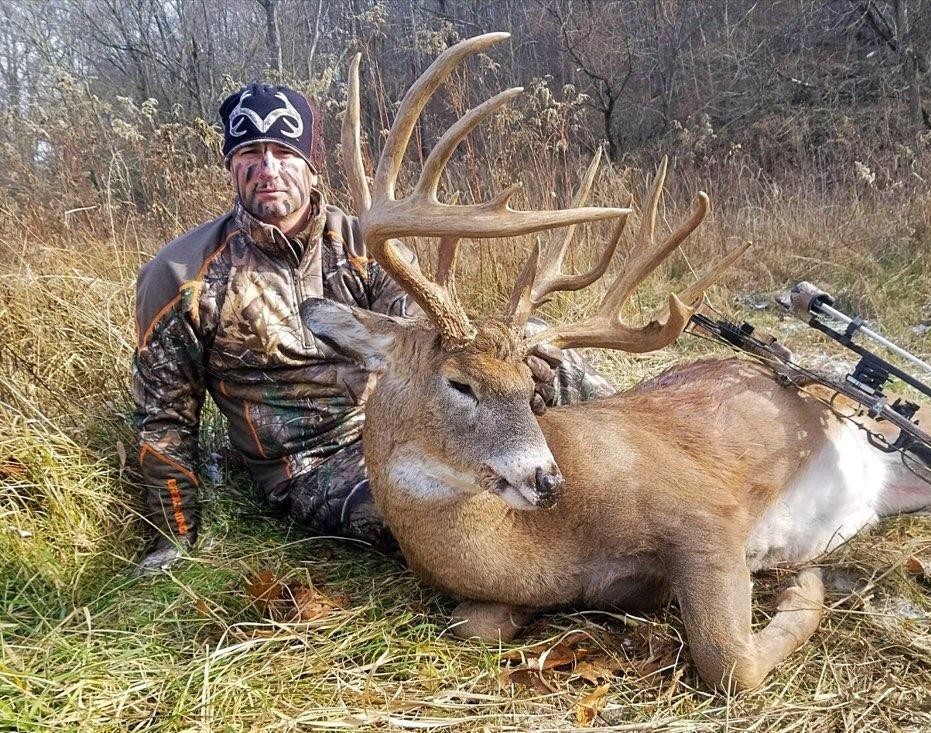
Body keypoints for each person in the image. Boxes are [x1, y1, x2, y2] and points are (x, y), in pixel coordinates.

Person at [133, 83, 612, 572]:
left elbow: (428, 336)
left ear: (310, 164)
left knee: (550, 349)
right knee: (428, 522)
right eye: (250, 153)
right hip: (310, 463)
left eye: (283, 152)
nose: (269, 169)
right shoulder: (181, 275)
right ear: (231, 165)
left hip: (404, 421)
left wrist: (513, 361)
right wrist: (175, 537)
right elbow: (165, 418)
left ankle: (645, 459)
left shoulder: (367, 244)